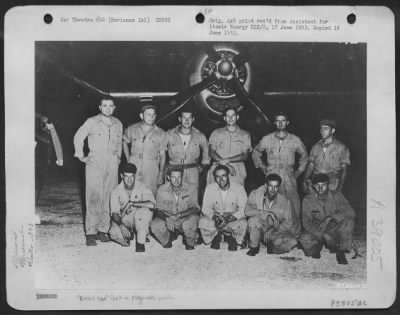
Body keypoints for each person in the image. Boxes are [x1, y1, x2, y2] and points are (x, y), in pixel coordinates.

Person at [73, 96, 123, 246]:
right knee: (94, 197)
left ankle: (103, 230)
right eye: (105, 106)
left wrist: (118, 158)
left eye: (111, 106)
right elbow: (78, 137)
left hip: (112, 164)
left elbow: (119, 143)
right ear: (100, 108)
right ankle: (91, 232)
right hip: (95, 163)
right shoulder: (92, 122)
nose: (108, 108)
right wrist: (81, 155)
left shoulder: (118, 124)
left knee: (109, 197)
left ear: (114, 108)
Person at [252, 112, 308, 218]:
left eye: (283, 121)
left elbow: (304, 155)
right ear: (275, 123)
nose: (280, 123)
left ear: (287, 122)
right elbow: (256, 152)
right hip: (272, 175)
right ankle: (273, 230)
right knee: (272, 203)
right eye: (278, 121)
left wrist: (299, 171)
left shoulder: (294, 140)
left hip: (288, 176)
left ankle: (293, 230)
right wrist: (263, 167)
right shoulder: (267, 139)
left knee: (292, 204)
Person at [298, 174, 355, 264]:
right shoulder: (307, 200)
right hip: (318, 229)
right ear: (313, 186)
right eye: (317, 185)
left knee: (348, 222)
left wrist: (330, 217)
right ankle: (317, 245)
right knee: (304, 239)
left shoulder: (336, 195)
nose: (320, 188)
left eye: (323, 185)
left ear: (328, 185)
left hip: (334, 228)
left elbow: (350, 213)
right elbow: (306, 223)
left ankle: (340, 251)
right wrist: (323, 234)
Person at [245, 174, 301, 256]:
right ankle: (254, 246)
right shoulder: (255, 194)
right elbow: (247, 211)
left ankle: (271, 246)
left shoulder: (285, 201)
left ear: (279, 187)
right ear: (266, 185)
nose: (273, 189)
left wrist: (273, 230)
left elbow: (288, 223)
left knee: (293, 242)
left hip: (274, 231)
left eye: (276, 186)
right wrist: (267, 213)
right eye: (270, 186)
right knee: (253, 221)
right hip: (259, 227)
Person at [199, 165, 248, 251]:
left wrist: (229, 218)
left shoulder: (239, 188)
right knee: (202, 221)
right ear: (214, 178)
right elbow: (205, 208)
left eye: (223, 176)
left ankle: (231, 236)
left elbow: (244, 209)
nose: (221, 180)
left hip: (231, 218)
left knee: (243, 223)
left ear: (228, 175)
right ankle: (216, 235)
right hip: (217, 218)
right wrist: (215, 218)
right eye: (217, 177)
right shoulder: (210, 188)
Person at [108, 163, 155, 252]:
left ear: (135, 176)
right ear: (121, 176)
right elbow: (114, 214)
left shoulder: (141, 186)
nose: (129, 180)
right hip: (126, 220)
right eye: (126, 176)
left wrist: (133, 203)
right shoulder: (115, 191)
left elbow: (152, 204)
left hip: (139, 218)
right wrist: (122, 226)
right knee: (113, 232)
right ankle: (129, 235)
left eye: (132, 176)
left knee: (144, 212)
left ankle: (141, 239)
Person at [151, 167, 200, 250]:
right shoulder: (161, 190)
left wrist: (179, 215)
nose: (176, 180)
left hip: (185, 218)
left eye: (179, 177)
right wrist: (166, 219)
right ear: (168, 177)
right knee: (155, 225)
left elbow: (195, 208)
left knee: (189, 225)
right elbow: (157, 210)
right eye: (173, 177)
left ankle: (190, 241)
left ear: (182, 177)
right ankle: (168, 239)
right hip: (169, 219)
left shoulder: (191, 188)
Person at [164, 109, 210, 200]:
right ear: (179, 119)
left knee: (192, 197)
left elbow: (206, 152)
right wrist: (164, 166)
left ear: (193, 119)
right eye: (184, 118)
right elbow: (160, 150)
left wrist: (203, 166)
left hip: (192, 171)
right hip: (174, 170)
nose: (187, 120)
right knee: (172, 197)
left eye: (189, 118)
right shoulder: (169, 134)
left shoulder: (200, 135)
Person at [123, 104, 166, 195]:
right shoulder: (132, 129)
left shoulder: (161, 133)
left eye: (153, 115)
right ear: (141, 115)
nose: (151, 117)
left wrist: (161, 172)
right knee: (131, 191)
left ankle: (149, 209)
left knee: (150, 192)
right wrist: (128, 159)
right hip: (134, 163)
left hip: (151, 166)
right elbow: (124, 142)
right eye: (148, 114)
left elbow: (162, 154)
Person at [302, 119, 350, 193]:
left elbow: (344, 169)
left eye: (326, 128)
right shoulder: (315, 146)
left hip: (332, 185)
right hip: (316, 184)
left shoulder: (341, 147)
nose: (322, 131)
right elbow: (311, 165)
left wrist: (340, 187)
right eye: (321, 128)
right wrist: (304, 181)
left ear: (333, 130)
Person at [207, 107, 251, 186]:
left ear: (237, 117)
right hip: (218, 168)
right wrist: (226, 165)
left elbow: (244, 155)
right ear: (224, 118)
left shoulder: (245, 135)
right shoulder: (216, 133)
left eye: (233, 115)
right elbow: (211, 152)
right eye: (228, 116)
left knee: (236, 195)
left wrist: (227, 160)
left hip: (236, 170)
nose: (230, 118)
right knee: (214, 195)